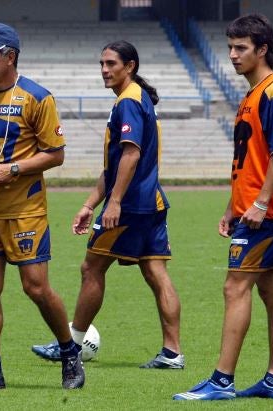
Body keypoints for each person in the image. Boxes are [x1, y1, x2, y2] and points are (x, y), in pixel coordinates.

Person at [31, 40, 184, 370]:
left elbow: (130, 155)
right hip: (151, 201)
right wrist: (89, 204)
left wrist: (113, 203)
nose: (104, 69)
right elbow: (113, 167)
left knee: (92, 268)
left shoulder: (129, 102)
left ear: (129, 67)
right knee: (156, 271)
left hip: (129, 206)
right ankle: (173, 353)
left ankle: (71, 344)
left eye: (111, 63)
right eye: (101, 63)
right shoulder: (135, 99)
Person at [0, 22, 84, 390]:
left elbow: (56, 155)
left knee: (36, 288)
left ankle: (69, 351)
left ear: (10, 56)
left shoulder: (37, 97)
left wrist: (13, 168)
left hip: (25, 210)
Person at [174, 13, 273, 401]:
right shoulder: (254, 93)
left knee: (235, 287)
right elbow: (253, 159)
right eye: (230, 47)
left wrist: (260, 203)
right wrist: (233, 205)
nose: (231, 55)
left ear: (262, 49)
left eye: (240, 47)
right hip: (255, 210)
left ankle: (222, 380)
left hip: (268, 212)